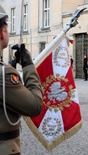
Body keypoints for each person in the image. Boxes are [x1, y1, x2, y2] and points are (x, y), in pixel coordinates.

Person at [0, 5, 43, 154]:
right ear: (2, 33)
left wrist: (10, 67)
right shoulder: (3, 74)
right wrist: (28, 65)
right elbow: (35, 106)